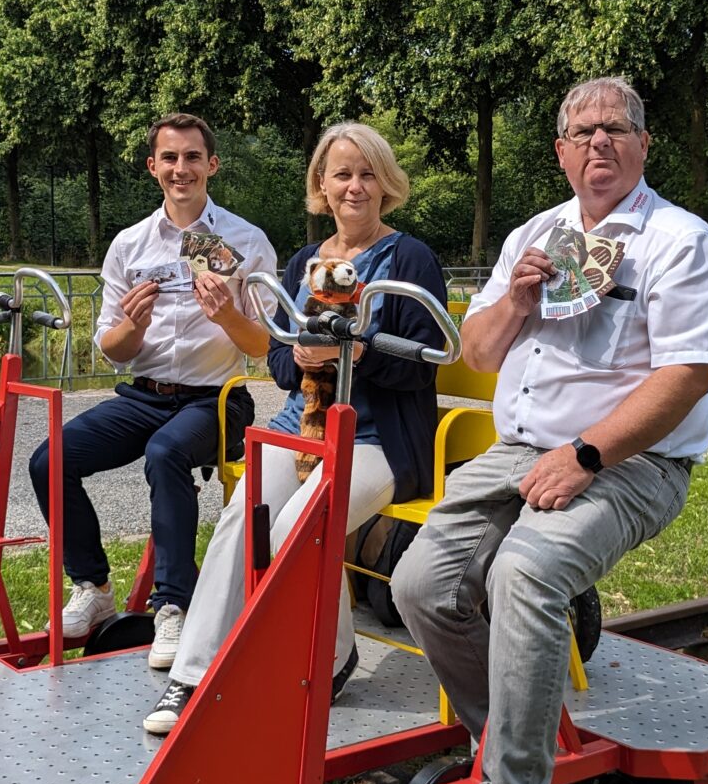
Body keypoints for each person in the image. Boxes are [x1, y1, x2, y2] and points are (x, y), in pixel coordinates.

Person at [391, 76, 708, 784]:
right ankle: (508, 739)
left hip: (631, 460)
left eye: (616, 129)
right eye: (582, 134)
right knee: (419, 585)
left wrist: (586, 455)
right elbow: (476, 352)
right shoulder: (533, 235)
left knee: (527, 571)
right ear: (560, 153)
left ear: (644, 144)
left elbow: (688, 374)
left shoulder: (683, 243)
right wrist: (514, 301)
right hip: (519, 450)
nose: (599, 143)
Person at [143, 121, 447, 734]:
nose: (354, 187)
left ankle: (328, 661)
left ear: (385, 183)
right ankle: (193, 675)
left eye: (367, 174)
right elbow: (280, 361)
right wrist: (304, 356)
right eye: (342, 174)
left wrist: (359, 354)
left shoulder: (409, 257)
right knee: (243, 514)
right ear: (322, 186)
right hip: (301, 423)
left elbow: (427, 360)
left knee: (298, 525)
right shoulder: (308, 260)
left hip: (377, 437)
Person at [29, 113, 277, 669]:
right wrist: (132, 329)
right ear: (152, 167)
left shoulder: (244, 240)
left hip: (215, 399)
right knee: (50, 460)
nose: (181, 168)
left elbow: (264, 344)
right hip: (143, 394)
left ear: (212, 165)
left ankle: (174, 606)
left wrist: (229, 315)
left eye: (192, 157)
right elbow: (111, 347)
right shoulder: (130, 244)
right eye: (170, 158)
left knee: (167, 454)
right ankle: (92, 589)